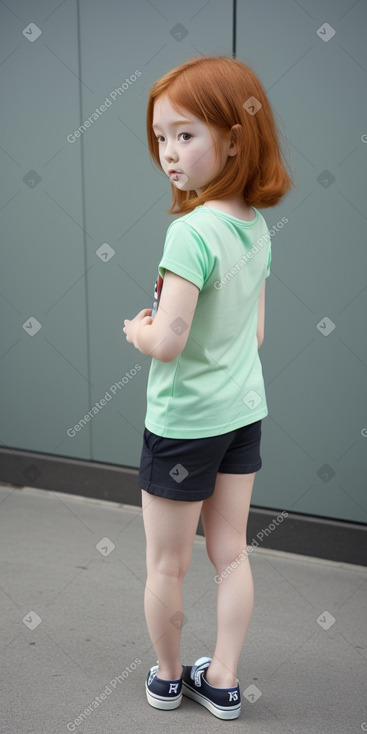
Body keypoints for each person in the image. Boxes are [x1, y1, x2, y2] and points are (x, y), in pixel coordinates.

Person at [122, 55, 293, 720]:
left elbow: (167, 341)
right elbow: (250, 334)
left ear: (233, 136)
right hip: (239, 414)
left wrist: (136, 330)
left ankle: (168, 677)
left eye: (184, 135)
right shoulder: (253, 225)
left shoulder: (189, 233)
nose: (168, 152)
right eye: (160, 137)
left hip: (183, 422)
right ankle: (220, 678)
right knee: (231, 554)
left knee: (166, 565)